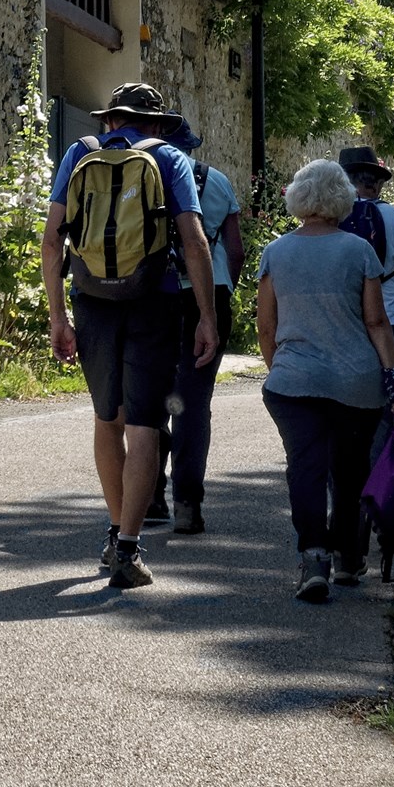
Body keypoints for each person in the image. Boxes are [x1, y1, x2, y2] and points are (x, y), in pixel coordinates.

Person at [43, 82, 219, 590]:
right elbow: (193, 240)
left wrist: (58, 316)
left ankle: (115, 529)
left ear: (111, 120)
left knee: (106, 418)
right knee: (145, 423)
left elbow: (52, 240)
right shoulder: (170, 160)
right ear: (159, 124)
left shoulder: (79, 153)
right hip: (154, 300)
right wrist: (206, 315)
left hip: (92, 302)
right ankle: (127, 549)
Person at [255, 156, 394, 604]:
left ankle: (313, 558)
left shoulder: (276, 252)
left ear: (298, 198)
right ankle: (347, 559)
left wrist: (279, 368)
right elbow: (378, 323)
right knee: (349, 470)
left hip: (293, 381)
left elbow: (266, 326)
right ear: (341, 200)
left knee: (305, 467)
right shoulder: (358, 250)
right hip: (355, 382)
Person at [153, 118, 241, 536]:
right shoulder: (217, 180)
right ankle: (187, 504)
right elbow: (235, 249)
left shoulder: (145, 170)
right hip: (210, 293)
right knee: (192, 400)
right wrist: (221, 294)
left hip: (155, 293)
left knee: (152, 393)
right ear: (190, 146)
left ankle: (149, 494)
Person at [339, 146, 394, 407]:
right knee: (393, 406)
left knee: (349, 409)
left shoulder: (328, 220)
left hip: (344, 326)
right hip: (392, 323)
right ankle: (391, 447)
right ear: (378, 184)